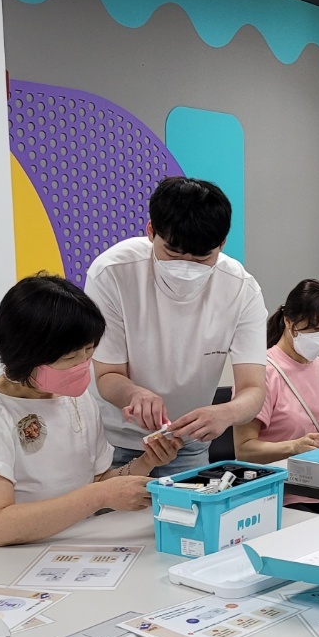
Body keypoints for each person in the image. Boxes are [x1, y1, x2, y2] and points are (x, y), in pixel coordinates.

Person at [0, 274, 181, 552]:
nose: (82, 364)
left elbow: (98, 481)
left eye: (89, 351)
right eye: (69, 357)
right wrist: (99, 496)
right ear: (26, 355)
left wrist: (146, 462)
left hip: (73, 544)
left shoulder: (76, 399)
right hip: (3, 557)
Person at [85, 177, 267, 476]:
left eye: (202, 257)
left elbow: (253, 388)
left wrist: (226, 413)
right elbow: (107, 375)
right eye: (172, 254)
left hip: (188, 442)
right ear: (150, 231)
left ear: (222, 243)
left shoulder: (240, 288)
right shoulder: (113, 272)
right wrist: (135, 395)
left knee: (190, 506)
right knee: (115, 507)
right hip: (114, 441)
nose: (186, 266)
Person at [233, 279, 319, 462]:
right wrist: (292, 447)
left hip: (316, 474)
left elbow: (317, 431)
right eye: (316, 328)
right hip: (278, 477)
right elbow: (243, 449)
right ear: (289, 322)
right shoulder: (262, 372)